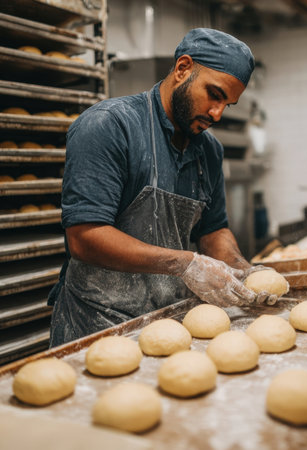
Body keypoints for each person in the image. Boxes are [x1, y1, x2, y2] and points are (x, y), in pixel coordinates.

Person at [48, 28, 278, 347]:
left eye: (228, 104)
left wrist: (241, 271)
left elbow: (213, 229)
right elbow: (85, 239)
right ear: (182, 69)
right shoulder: (109, 126)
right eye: (214, 94)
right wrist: (185, 263)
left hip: (171, 323)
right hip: (98, 325)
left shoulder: (209, 151)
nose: (217, 114)